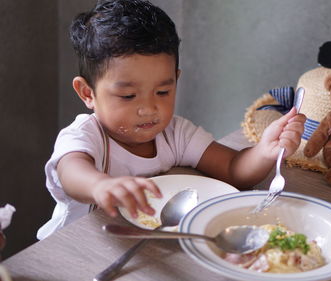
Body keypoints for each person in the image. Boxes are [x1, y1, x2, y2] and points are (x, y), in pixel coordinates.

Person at [37, 0, 306, 240]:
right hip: (77, 245)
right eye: (128, 95)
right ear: (88, 93)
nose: (148, 109)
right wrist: (100, 185)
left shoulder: (175, 133)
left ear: (176, 80)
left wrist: (264, 151)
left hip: (142, 243)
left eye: (163, 92)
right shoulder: (86, 135)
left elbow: (235, 170)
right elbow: (70, 171)